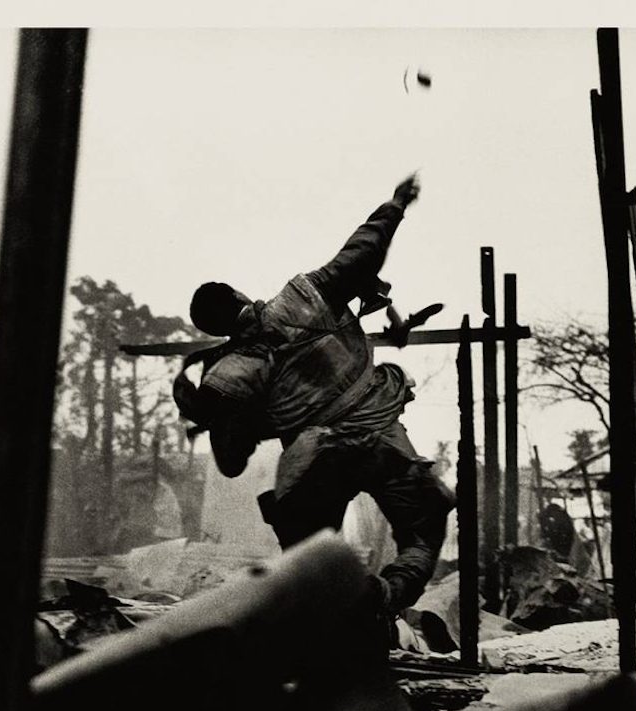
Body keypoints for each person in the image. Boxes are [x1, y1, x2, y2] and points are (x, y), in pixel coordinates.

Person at [173, 174, 454, 617]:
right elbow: (362, 252)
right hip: (379, 436)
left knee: (309, 556)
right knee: (423, 527)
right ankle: (387, 597)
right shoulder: (304, 296)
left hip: (313, 461)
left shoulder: (228, 374)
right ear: (238, 293)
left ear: (212, 329)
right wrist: (396, 204)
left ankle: (352, 608)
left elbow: (230, 462)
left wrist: (234, 417)